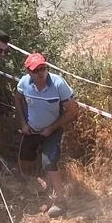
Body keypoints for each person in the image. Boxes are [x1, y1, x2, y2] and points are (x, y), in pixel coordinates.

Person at [16, 52, 78, 206]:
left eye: (43, 68)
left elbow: (72, 110)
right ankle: (35, 187)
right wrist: (23, 123)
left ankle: (61, 200)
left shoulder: (58, 84)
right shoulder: (24, 83)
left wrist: (51, 128)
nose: (40, 73)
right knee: (24, 158)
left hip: (53, 130)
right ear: (28, 71)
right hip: (32, 129)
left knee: (49, 162)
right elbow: (17, 97)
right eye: (35, 70)